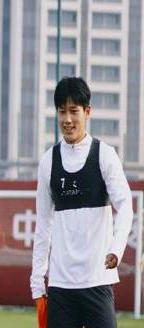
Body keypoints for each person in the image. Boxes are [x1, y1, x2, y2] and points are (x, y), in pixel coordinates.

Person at [30, 77, 134, 328]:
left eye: (74, 111)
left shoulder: (105, 155)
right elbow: (42, 225)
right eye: (61, 111)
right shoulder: (48, 161)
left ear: (87, 112)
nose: (67, 119)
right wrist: (37, 282)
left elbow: (125, 205)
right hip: (60, 287)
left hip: (98, 281)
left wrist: (116, 249)